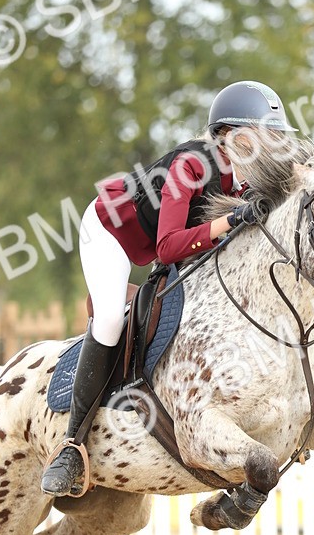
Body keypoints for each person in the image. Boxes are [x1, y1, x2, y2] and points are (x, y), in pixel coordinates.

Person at [41, 80, 298, 498]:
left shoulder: (243, 180)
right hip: (109, 232)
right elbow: (166, 246)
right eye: (262, 137)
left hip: (157, 244)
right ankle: (71, 447)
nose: (270, 147)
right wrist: (231, 222)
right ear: (229, 136)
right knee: (108, 318)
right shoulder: (191, 166)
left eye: (274, 137)